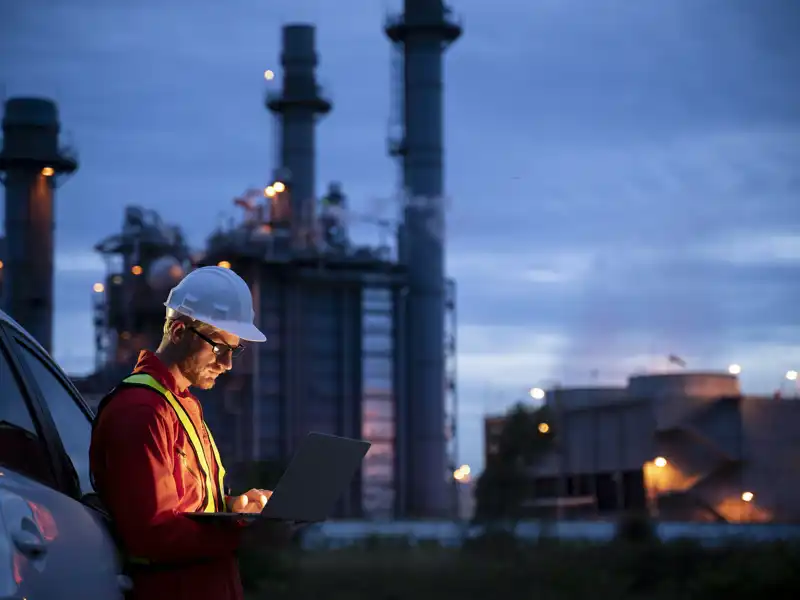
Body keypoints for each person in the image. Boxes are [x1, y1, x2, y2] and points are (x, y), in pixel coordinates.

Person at [90, 266, 286, 600]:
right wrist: (246, 534)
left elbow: (188, 508)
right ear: (179, 332)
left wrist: (236, 508)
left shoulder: (180, 405)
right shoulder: (140, 413)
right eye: (218, 348)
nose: (227, 364)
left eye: (234, 350)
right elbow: (152, 536)